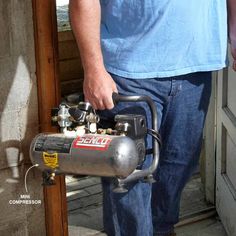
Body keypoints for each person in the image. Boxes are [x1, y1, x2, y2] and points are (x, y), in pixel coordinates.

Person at [69, 1, 236, 235]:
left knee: (178, 165)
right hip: (128, 74)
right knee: (127, 174)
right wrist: (94, 69)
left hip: (196, 68)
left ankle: (162, 230)